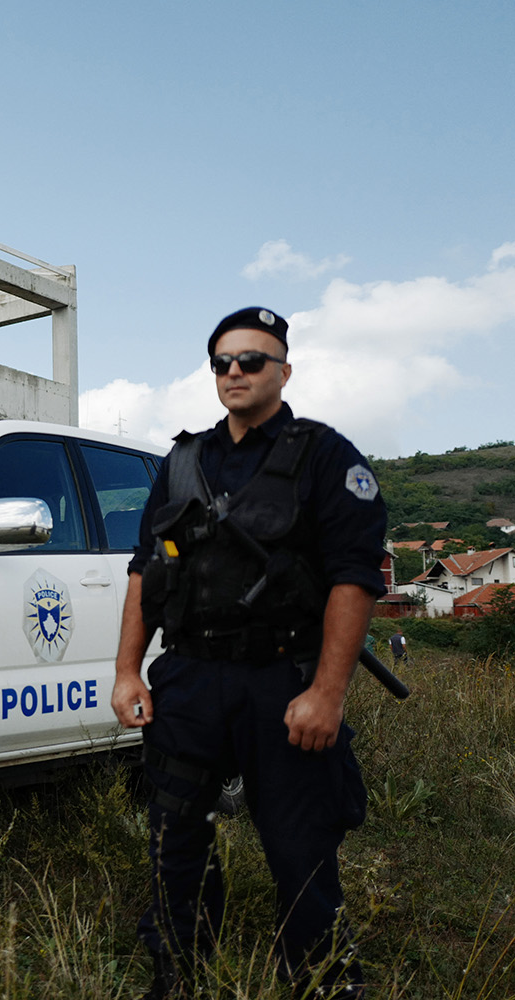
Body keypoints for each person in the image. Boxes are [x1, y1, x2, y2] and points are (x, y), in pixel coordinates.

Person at [110, 307, 387, 998]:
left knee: (299, 844)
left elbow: (354, 580)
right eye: (223, 362)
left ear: (283, 370)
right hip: (190, 678)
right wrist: (125, 671)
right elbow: (145, 571)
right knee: (176, 838)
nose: (235, 372)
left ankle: (321, 976)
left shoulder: (324, 456)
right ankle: (178, 967)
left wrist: (327, 693)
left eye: (252, 360)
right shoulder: (182, 462)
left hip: (282, 679)